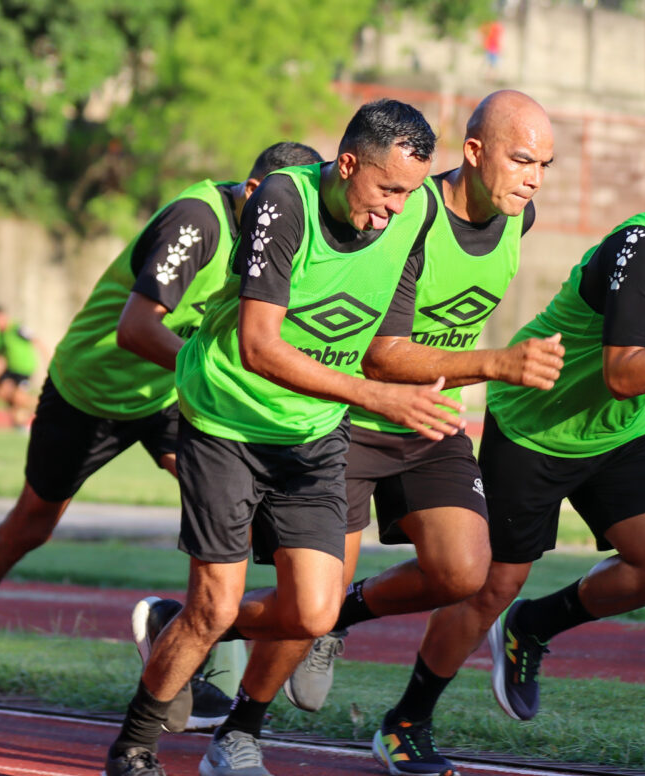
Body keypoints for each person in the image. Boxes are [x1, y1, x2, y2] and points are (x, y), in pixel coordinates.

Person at [376, 139, 645, 776]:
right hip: (535, 426)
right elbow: (624, 373)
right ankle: (405, 722)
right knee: (490, 586)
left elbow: (630, 392)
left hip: (617, 434)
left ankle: (535, 626)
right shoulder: (643, 248)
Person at [102, 99, 464, 776]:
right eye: (385, 188)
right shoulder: (283, 199)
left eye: (408, 193)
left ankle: (191, 662)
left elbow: (391, 330)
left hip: (312, 433)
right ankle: (133, 748)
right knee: (212, 608)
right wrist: (376, 394)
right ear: (347, 163)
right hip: (226, 423)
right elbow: (259, 345)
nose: (393, 209)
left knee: (314, 611)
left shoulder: (412, 210)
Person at [212, 90, 560, 776]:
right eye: (522, 159)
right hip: (353, 416)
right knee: (301, 603)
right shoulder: (411, 214)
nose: (534, 177)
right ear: (474, 152)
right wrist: (494, 364)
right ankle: (236, 718)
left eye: (545, 163)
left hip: (424, 419)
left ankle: (315, 621)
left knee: (463, 569)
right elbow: (379, 351)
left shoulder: (522, 220)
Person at [0, 141, 324, 735]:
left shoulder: (280, 240)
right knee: (31, 524)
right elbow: (135, 329)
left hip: (168, 397)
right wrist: (216, 375)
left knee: (237, 511)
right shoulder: (199, 222)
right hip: (90, 391)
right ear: (252, 193)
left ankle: (187, 646)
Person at [0, 307, 42, 431]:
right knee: (2, 392)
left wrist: (49, 358)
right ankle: (19, 420)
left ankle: (45, 406)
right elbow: (1, 354)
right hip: (11, 369)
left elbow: (37, 340)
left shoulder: (17, 328)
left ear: (1, 316)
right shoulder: (2, 334)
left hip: (24, 370)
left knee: (20, 398)